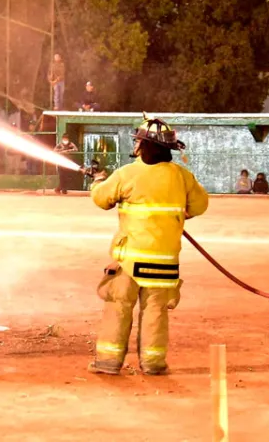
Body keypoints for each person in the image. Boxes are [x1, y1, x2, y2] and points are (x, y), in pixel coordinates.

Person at [87, 117, 208, 375]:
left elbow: (101, 199)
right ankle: (153, 363)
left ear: (141, 145)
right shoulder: (183, 177)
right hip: (164, 264)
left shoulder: (127, 173)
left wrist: (97, 180)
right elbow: (199, 206)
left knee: (118, 307)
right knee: (156, 312)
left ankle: (108, 362)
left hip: (129, 262)